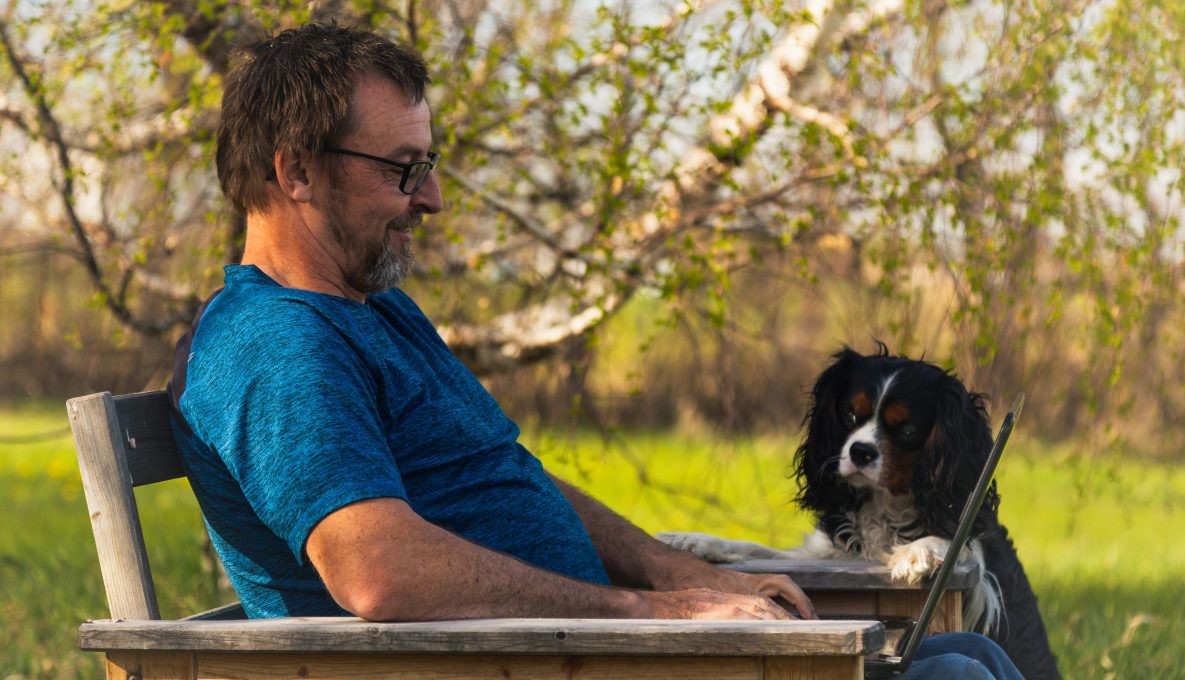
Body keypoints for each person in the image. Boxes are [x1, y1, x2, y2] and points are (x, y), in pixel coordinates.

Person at [168, 23, 1023, 680]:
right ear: (295, 173)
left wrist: (673, 570)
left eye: (430, 165)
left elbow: (512, 478)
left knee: (971, 662)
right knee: (953, 672)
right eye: (401, 169)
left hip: (591, 653)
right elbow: (377, 570)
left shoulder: (375, 314)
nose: (429, 198)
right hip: (546, 661)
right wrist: (648, 612)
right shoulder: (275, 346)